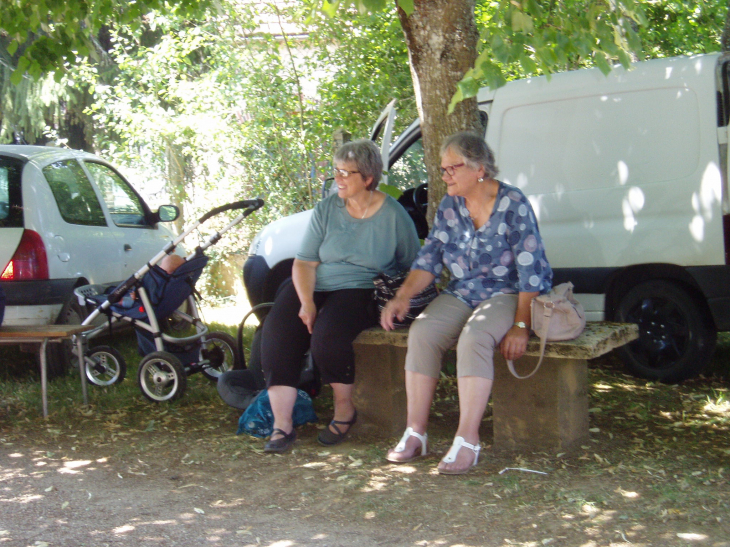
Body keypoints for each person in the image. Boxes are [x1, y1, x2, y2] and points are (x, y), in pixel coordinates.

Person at [380, 131, 553, 474]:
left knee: (474, 338)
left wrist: (521, 325)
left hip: (509, 292)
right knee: (423, 332)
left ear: (479, 169)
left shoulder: (513, 203)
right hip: (464, 289)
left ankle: (468, 439)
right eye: (442, 170)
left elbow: (530, 270)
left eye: (450, 169)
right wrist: (402, 297)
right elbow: (430, 259)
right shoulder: (450, 205)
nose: (444, 177)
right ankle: (416, 432)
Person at [261, 139, 421, 453]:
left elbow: (414, 265)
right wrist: (306, 302)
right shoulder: (326, 208)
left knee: (328, 337)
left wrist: (399, 296)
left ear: (368, 178)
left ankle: (344, 410)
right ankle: (282, 425)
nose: (339, 179)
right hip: (315, 283)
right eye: (337, 171)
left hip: (361, 288)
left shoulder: (393, 215)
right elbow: (305, 261)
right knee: (279, 330)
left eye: (348, 173)